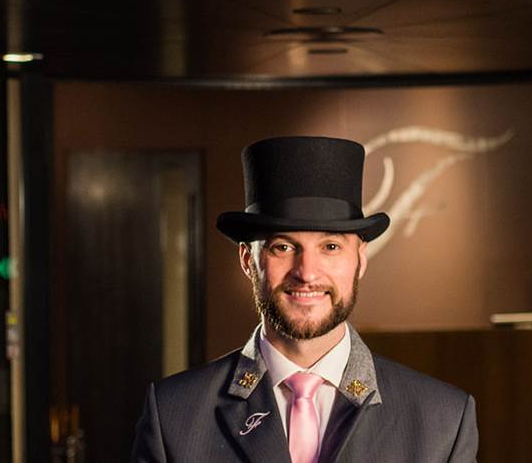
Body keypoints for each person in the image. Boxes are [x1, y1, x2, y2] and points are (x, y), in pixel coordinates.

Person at [131, 136, 479, 462]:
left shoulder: (442, 421)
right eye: (283, 247)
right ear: (247, 261)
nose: (307, 272)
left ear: (360, 259)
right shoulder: (174, 417)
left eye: (330, 247)